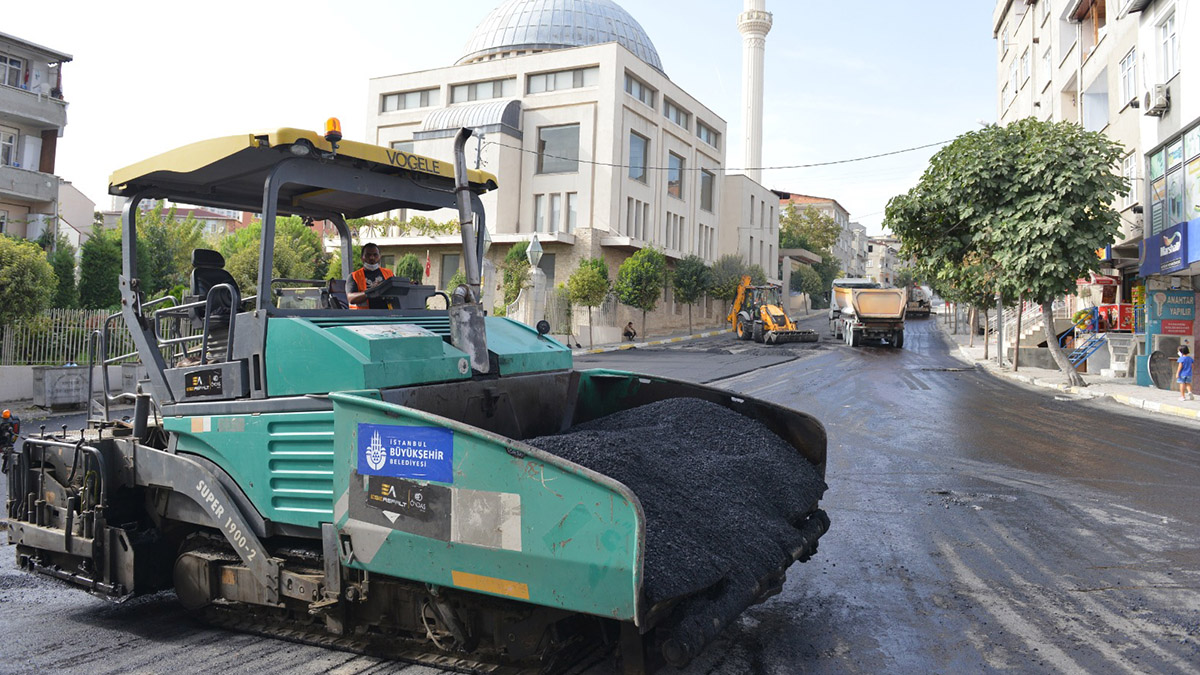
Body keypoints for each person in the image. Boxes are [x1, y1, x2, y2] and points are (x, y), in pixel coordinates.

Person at [347, 243, 394, 310]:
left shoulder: (389, 273)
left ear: (380, 257)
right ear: (362, 258)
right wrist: (369, 293)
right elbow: (350, 298)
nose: (372, 258)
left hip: (388, 313)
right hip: (365, 314)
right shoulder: (354, 276)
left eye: (375, 255)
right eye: (368, 255)